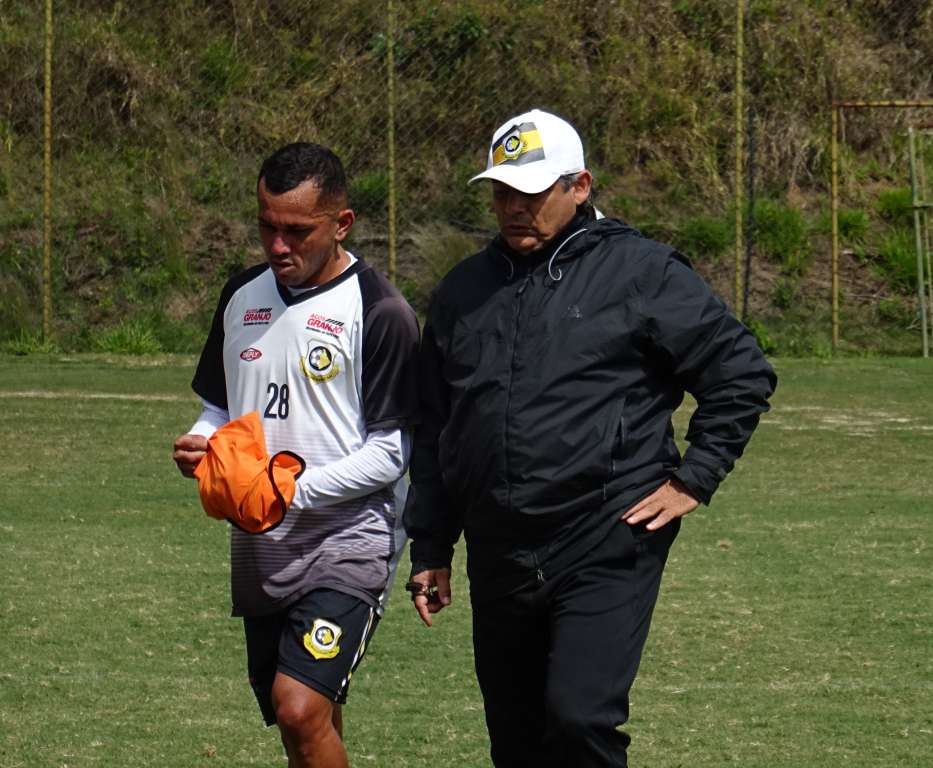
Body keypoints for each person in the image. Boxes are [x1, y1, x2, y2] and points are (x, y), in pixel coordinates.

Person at [404, 109, 777, 767]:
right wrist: (432, 543)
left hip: (607, 534)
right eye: (501, 193)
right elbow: (435, 425)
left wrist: (695, 476)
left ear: (580, 186)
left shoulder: (642, 272)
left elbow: (740, 371)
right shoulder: (464, 290)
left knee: (579, 721)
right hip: (500, 548)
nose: (514, 208)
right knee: (516, 742)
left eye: (532, 192)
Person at [172, 142, 419, 768]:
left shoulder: (380, 311)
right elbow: (220, 409)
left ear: (341, 224)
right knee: (306, 720)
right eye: (266, 226)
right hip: (260, 545)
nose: (278, 246)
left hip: (349, 539)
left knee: (299, 706)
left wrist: (289, 490)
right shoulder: (240, 298)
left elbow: (391, 453)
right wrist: (204, 445)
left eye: (296, 231)